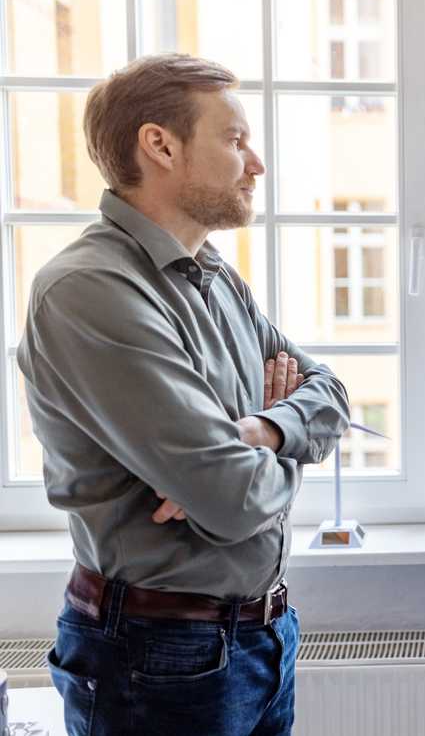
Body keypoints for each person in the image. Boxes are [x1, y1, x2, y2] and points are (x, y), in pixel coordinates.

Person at [16, 53, 350, 735]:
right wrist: (266, 452)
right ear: (160, 145)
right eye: (234, 140)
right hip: (156, 654)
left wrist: (260, 432)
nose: (255, 163)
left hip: (263, 636)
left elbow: (333, 395)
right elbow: (231, 500)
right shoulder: (89, 290)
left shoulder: (214, 276)